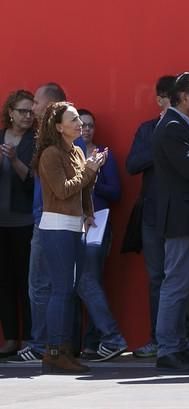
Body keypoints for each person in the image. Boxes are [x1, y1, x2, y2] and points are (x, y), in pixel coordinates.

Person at [33, 102, 107, 374]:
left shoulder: (76, 150)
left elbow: (83, 187)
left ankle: (63, 350)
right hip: (56, 227)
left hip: (74, 226)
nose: (80, 124)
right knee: (61, 290)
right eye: (74, 120)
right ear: (58, 126)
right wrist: (89, 170)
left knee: (68, 290)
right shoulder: (50, 155)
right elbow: (63, 191)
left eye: (79, 119)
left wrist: (88, 210)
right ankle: (53, 351)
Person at [152, 72, 189, 371]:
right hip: (181, 219)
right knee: (176, 284)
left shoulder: (179, 125)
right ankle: (168, 349)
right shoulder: (173, 127)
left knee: (183, 285)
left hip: (187, 217)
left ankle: (177, 344)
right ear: (184, 97)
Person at [7, 83, 68, 363]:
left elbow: (50, 179)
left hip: (45, 218)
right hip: (39, 216)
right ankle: (47, 345)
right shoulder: (48, 135)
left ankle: (44, 344)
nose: (31, 111)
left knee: (41, 285)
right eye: (25, 108)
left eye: (35, 105)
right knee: (39, 285)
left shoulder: (52, 137)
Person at [125, 75, 176, 358]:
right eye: (172, 97)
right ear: (160, 100)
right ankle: (158, 338)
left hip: (185, 215)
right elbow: (132, 164)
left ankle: (188, 338)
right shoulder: (148, 130)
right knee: (157, 277)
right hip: (153, 215)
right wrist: (161, 144)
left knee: (185, 278)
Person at [74, 108, 127, 361]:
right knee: (86, 283)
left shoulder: (103, 155)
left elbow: (116, 192)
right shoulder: (66, 156)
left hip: (98, 225)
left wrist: (93, 179)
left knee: (88, 280)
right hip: (71, 224)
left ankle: (108, 338)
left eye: (90, 125)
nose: (86, 129)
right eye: (81, 124)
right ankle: (93, 343)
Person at [0, 90, 36, 357]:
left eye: (30, 111)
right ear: (10, 111)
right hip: (1, 222)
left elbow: (33, 181)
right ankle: (10, 337)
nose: (27, 116)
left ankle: (29, 339)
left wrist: (14, 160)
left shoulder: (35, 141)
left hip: (24, 220)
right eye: (22, 111)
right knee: (4, 282)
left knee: (26, 281)